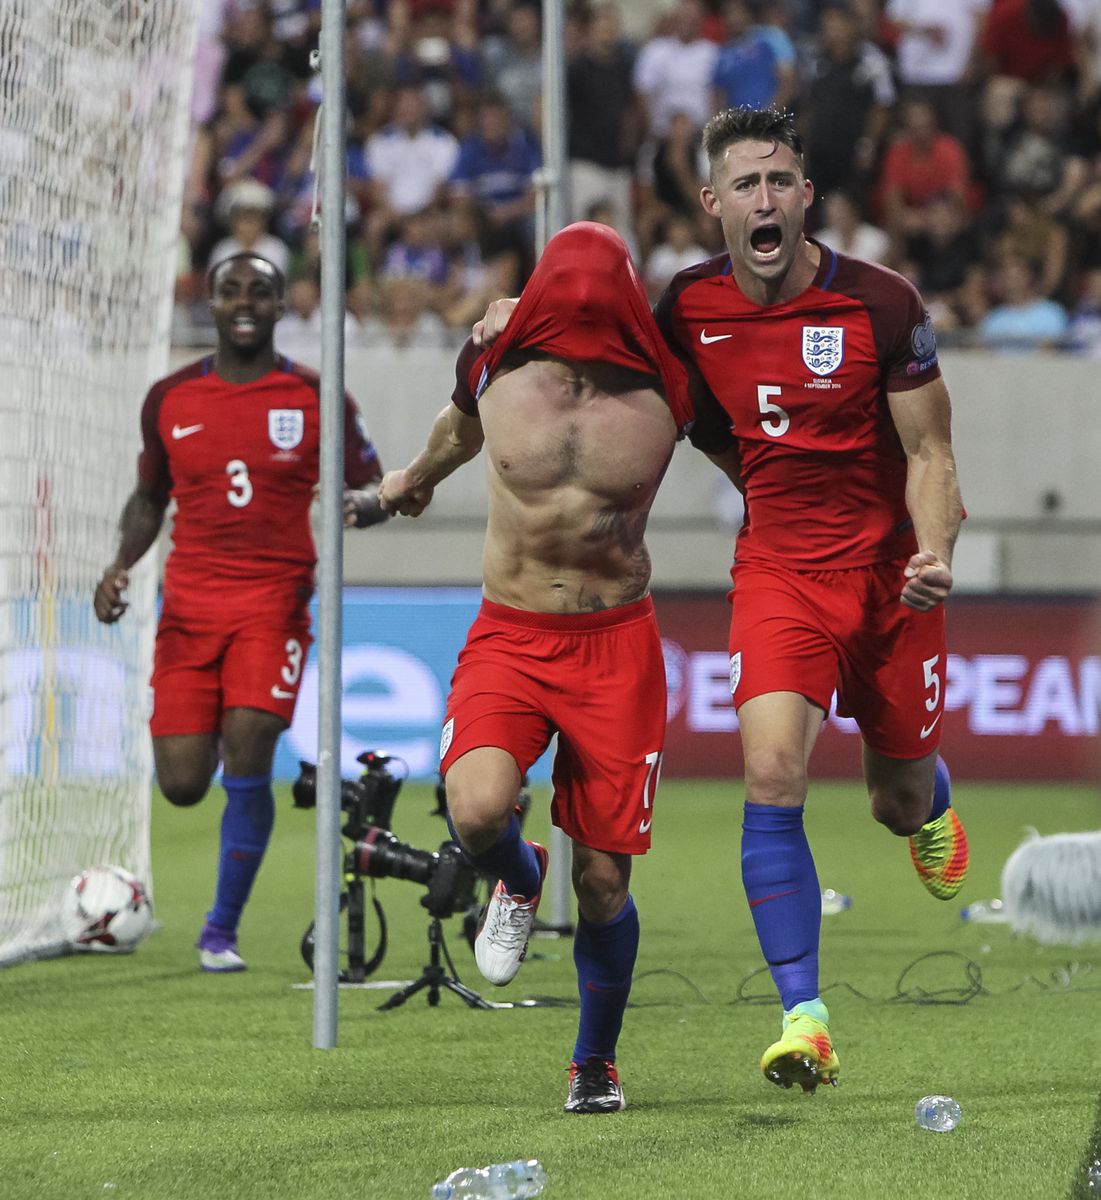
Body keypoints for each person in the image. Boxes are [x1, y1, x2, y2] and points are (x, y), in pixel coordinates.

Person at [652, 107, 969, 1093]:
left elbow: (930, 452)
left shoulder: (880, 303)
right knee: (773, 773)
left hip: (889, 581)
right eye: (745, 184)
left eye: (780, 181)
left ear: (807, 196)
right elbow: (691, 416)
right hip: (779, 577)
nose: (764, 199)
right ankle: (805, 1017)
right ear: (712, 201)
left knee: (892, 799)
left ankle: (934, 797)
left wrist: (932, 549)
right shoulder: (685, 307)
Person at [378, 222, 693, 1114]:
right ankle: (519, 875)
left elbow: (754, 461)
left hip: (615, 645)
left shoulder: (672, 385)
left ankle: (593, 1062)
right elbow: (459, 430)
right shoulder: (494, 364)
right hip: (510, 634)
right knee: (476, 812)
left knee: (603, 882)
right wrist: (414, 477)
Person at [93, 253, 388, 973]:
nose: (244, 302)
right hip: (187, 609)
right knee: (184, 784)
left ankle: (219, 932)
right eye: (231, 291)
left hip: (273, 604)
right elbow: (148, 497)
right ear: (212, 303)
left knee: (250, 743)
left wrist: (365, 504)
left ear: (284, 304)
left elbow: (372, 483)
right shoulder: (169, 397)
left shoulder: (318, 397)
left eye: (260, 291)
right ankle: (220, 901)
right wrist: (120, 565)